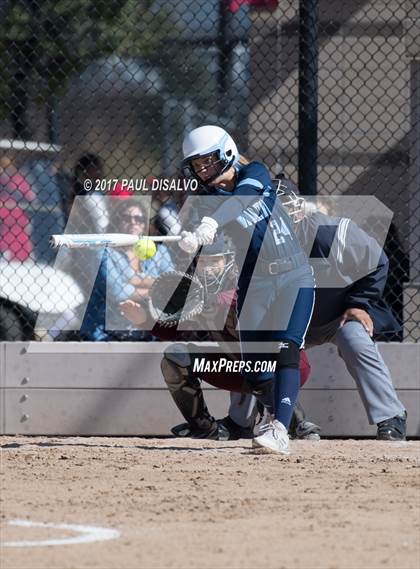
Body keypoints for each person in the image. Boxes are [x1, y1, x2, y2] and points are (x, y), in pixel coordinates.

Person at [175, 125, 315, 454]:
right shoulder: (206, 200)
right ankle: (282, 415)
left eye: (208, 160)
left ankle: (280, 429)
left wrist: (210, 223)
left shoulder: (255, 172)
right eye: (197, 165)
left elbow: (243, 198)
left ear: (227, 152)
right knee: (254, 371)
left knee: (286, 349)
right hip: (255, 282)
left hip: (293, 275)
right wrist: (191, 240)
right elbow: (212, 247)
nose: (204, 169)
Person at [232, 180, 407, 440]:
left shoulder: (330, 233)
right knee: (256, 344)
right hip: (292, 321)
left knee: (354, 338)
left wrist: (359, 303)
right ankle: (247, 422)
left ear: (299, 211)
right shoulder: (258, 247)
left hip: (338, 315)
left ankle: (391, 417)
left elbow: (378, 261)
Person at [120, 239, 320, 441]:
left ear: (229, 262)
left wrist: (208, 301)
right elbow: (175, 332)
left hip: (285, 367)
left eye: (215, 262)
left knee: (258, 363)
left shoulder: (248, 278)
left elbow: (242, 297)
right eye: (203, 262)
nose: (207, 269)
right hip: (234, 367)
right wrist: (144, 320)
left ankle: (296, 423)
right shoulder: (196, 291)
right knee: (176, 357)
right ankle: (204, 427)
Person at [79, 198, 174, 341]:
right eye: (126, 218)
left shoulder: (160, 251)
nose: (133, 223)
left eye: (139, 219)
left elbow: (172, 285)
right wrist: (157, 288)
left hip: (149, 332)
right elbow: (118, 293)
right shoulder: (104, 253)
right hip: (107, 334)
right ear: (117, 221)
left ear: (145, 224)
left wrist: (133, 281)